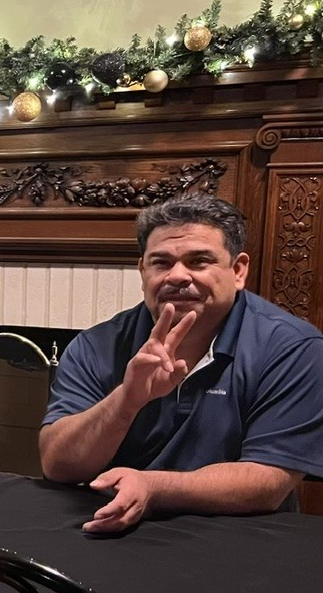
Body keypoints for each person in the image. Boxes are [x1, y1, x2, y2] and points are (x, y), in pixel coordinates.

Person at [40, 194, 323, 534]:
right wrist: (126, 400)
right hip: (114, 528)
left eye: (199, 261)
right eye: (161, 263)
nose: (177, 275)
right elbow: (58, 466)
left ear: (238, 270)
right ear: (143, 271)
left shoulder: (292, 347)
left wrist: (153, 487)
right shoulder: (97, 344)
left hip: (241, 539)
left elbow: (268, 481)